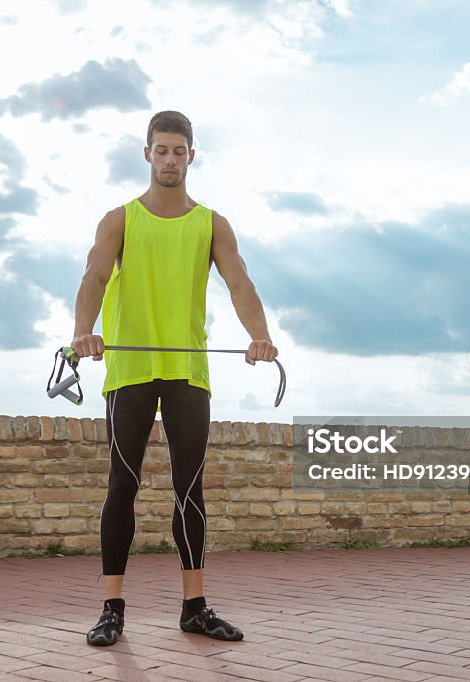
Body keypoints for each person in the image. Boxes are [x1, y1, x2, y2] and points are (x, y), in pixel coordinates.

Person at [71, 110, 279, 646]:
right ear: (147, 155)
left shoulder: (212, 223)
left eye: (178, 151)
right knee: (124, 486)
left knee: (190, 490)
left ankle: (195, 607)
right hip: (131, 370)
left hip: (189, 370)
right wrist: (83, 332)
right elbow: (94, 275)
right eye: (160, 150)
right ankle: (112, 607)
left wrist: (260, 335)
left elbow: (239, 283)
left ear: (192, 156)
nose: (169, 159)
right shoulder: (119, 219)